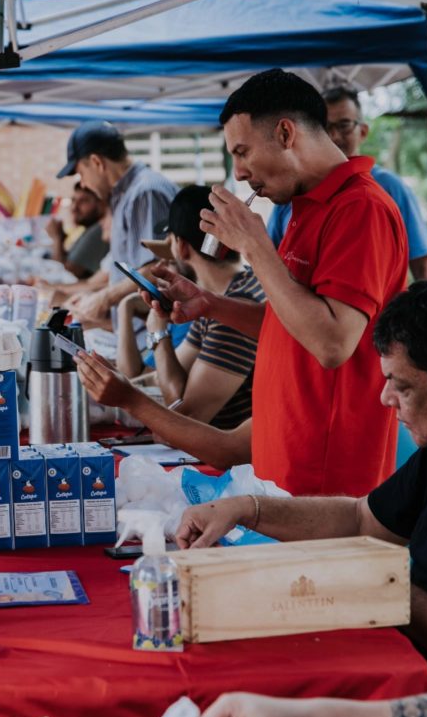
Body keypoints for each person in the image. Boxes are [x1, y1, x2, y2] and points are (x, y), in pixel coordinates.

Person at [175, 278, 427, 690]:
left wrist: (385, 587)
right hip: (409, 660)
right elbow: (362, 519)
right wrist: (247, 509)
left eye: (402, 385)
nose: (385, 398)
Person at [146, 68, 408, 496]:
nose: (241, 173)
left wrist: (254, 245)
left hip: (327, 476)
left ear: (286, 133)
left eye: (243, 152)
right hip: (283, 462)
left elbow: (331, 343)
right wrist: (212, 305)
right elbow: (291, 321)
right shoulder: (306, 208)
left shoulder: (361, 209)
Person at [114, 185, 264, 428]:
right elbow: (171, 378)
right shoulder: (223, 294)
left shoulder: (233, 307)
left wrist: (158, 331)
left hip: (235, 462)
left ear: (181, 246)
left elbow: (183, 417)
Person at [268, 86, 427, 282]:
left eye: (344, 125)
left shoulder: (389, 188)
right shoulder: (294, 194)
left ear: (363, 131)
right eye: (324, 127)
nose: (333, 136)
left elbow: (423, 265)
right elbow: (270, 264)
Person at [55, 120, 178, 326]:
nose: (83, 183)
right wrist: (95, 296)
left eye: (80, 173)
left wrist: (104, 298)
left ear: (96, 162)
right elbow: (129, 267)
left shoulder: (145, 192)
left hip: (154, 335)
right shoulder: (125, 195)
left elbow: (158, 268)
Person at [47, 181, 109, 280]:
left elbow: (65, 274)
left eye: (83, 201)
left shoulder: (99, 230)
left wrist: (57, 238)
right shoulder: (89, 227)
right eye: (73, 200)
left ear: (101, 204)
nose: (74, 207)